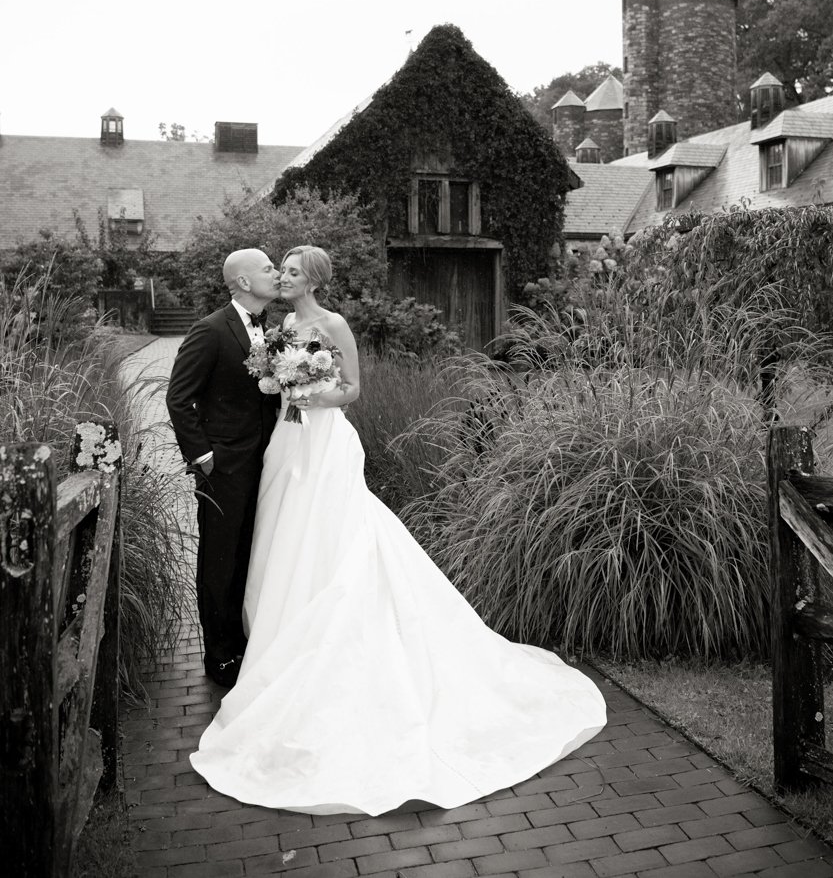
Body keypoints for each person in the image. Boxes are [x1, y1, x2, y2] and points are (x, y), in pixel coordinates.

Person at [190, 245, 606, 814]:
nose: (281, 277)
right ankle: (276, 637)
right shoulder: (282, 324)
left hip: (324, 439)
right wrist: (279, 387)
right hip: (287, 444)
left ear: (310, 278)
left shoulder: (333, 323)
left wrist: (309, 392)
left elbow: (352, 389)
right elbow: (262, 383)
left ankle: (335, 625)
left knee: (335, 531)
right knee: (285, 532)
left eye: (288, 270)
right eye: (276, 269)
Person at [166, 248, 281, 688]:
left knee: (249, 552)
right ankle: (219, 657)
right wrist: (203, 457)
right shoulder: (210, 330)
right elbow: (180, 397)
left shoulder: (267, 330)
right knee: (219, 559)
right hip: (224, 467)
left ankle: (243, 640)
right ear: (246, 282)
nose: (275, 273)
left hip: (264, 461)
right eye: (268, 267)